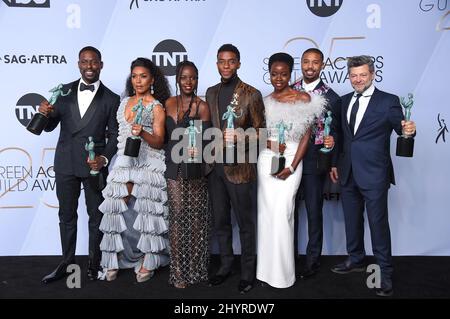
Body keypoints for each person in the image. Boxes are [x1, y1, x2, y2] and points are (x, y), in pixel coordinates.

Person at [329, 55, 416, 297]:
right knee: (351, 220)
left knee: (378, 225)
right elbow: (342, 136)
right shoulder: (344, 101)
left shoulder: (388, 101)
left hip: (375, 174)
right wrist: (335, 163)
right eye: (354, 76)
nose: (358, 79)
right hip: (347, 172)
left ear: (373, 75)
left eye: (362, 75)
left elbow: (402, 128)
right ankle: (355, 259)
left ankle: (384, 273)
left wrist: (409, 130)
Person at [39, 46, 120, 283]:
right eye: (85, 62)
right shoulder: (63, 92)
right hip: (65, 163)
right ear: (78, 64)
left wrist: (103, 158)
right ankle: (67, 263)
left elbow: (115, 136)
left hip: (94, 165)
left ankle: (94, 264)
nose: (89, 67)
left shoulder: (112, 98)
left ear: (101, 65)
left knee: (96, 216)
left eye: (93, 62)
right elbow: (49, 126)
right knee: (66, 215)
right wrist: (44, 113)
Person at [256, 52, 326, 288]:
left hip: (293, 158)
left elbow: (307, 136)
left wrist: (293, 166)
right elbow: (259, 135)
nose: (278, 78)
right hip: (268, 159)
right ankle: (265, 273)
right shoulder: (264, 101)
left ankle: (283, 276)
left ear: (290, 74)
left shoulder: (303, 98)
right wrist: (271, 144)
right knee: (267, 217)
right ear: (269, 74)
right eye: (274, 74)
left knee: (283, 214)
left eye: (283, 73)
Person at [98, 57, 171, 282]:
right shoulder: (124, 102)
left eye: (143, 76)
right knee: (116, 211)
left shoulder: (156, 106)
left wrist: (143, 133)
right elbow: (120, 135)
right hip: (123, 161)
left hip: (149, 161)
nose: (138, 81)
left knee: (146, 212)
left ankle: (148, 260)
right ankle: (114, 261)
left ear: (152, 80)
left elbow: (159, 141)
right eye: (135, 76)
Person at [206, 44, 265, 294]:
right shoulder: (210, 92)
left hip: (240, 169)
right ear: (217, 64)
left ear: (239, 63)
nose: (226, 65)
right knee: (220, 221)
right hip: (215, 169)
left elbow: (262, 133)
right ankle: (226, 265)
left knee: (245, 223)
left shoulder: (251, 93)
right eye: (222, 61)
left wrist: (240, 137)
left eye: (231, 61)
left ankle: (248, 272)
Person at [291, 48, 341, 279]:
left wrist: (333, 142)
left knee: (313, 211)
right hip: (289, 159)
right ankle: (289, 257)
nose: (310, 66)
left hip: (314, 161)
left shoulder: (332, 97)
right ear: (300, 63)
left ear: (322, 65)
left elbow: (340, 132)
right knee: (288, 211)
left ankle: (312, 260)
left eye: (315, 62)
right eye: (306, 61)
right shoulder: (290, 91)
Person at [164, 61, 211, 289]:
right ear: (178, 79)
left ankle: (195, 268)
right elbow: (163, 138)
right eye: (184, 78)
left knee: (195, 222)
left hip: (195, 171)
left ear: (197, 80)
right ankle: (178, 271)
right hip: (173, 170)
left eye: (192, 78)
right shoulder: (168, 103)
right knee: (176, 220)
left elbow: (208, 142)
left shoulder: (202, 107)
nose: (188, 82)